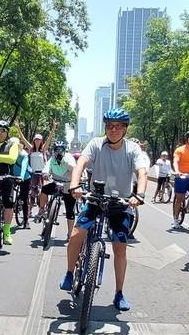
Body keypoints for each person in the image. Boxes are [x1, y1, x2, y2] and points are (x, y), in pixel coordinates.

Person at [61, 108, 148, 312]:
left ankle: (119, 292)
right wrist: (74, 185)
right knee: (76, 234)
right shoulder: (96, 144)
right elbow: (80, 164)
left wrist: (139, 195)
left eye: (118, 127)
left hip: (120, 202)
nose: (114, 130)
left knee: (120, 246)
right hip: (95, 198)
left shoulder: (133, 149)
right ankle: (69, 272)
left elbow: (141, 173)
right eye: (110, 126)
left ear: (125, 129)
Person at [0, 120, 24, 246]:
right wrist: (1, 157)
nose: (0, 133)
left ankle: (7, 232)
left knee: (8, 204)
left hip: (7, 177)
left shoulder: (12, 144)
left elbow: (12, 159)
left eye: (3, 130)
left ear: (7, 132)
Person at [43, 139, 79, 239]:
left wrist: (64, 162)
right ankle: (42, 209)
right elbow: (47, 167)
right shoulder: (52, 159)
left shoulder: (69, 158)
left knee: (70, 211)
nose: (58, 152)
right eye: (56, 150)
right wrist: (45, 173)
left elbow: (74, 168)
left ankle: (70, 233)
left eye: (60, 150)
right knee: (44, 190)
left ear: (64, 150)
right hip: (56, 182)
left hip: (68, 185)